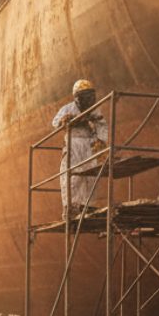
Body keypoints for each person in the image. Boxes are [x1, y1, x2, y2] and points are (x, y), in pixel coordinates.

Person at [51, 79, 108, 216]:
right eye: (85, 96)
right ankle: (70, 206)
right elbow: (55, 122)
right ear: (77, 97)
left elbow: (102, 124)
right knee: (72, 176)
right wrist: (64, 120)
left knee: (90, 176)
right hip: (73, 143)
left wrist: (101, 141)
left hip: (90, 145)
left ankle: (87, 205)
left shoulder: (94, 109)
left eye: (90, 96)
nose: (89, 100)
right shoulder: (67, 108)